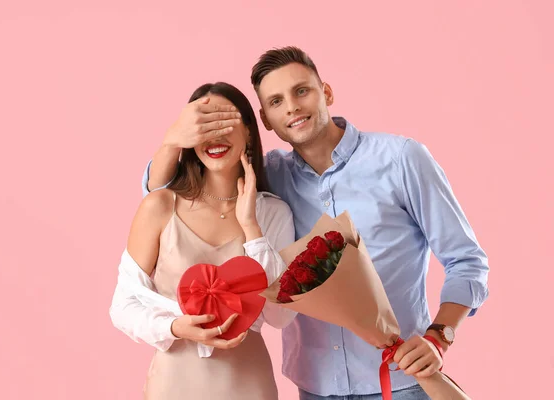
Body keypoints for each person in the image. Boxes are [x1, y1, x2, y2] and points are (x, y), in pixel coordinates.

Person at [143, 47, 490, 400]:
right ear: (264, 120)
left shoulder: (401, 159)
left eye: (301, 91)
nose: (291, 107)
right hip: (315, 388)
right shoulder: (267, 177)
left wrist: (439, 337)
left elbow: (467, 262)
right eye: (276, 102)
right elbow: (161, 187)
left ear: (326, 92)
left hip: (401, 380)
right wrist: (174, 138)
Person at [109, 82, 296, 400]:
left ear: (248, 132)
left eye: (225, 122)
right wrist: (175, 327)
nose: (215, 135)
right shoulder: (160, 206)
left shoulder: (273, 212)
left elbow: (281, 317)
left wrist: (251, 226)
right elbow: (122, 306)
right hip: (173, 385)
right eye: (204, 124)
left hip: (249, 387)